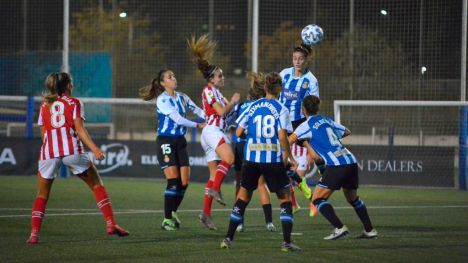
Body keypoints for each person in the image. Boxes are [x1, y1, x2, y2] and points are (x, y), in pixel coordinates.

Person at [27, 72, 129, 244]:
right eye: (71, 83)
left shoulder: (45, 105)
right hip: (71, 151)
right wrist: (95, 149)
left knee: (42, 194)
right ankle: (111, 224)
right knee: (96, 184)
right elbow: (80, 129)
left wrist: (52, 148)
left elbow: (44, 132)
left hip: (49, 153)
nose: (72, 85)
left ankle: (34, 234)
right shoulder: (75, 102)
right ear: (67, 85)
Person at [220, 72, 301, 252]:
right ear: (280, 88)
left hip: (251, 160)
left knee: (242, 198)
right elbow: (282, 135)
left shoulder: (252, 106)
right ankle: (287, 243)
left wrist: (255, 136)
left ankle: (228, 238)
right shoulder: (281, 108)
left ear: (265, 87)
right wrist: (289, 157)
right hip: (272, 159)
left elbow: (239, 132)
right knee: (285, 199)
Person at [289, 95, 378, 240]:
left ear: (303, 109)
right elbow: (347, 131)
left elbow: (290, 140)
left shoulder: (306, 125)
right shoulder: (327, 120)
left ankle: (339, 227)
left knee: (317, 199)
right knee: (353, 198)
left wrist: (298, 145)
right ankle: (370, 230)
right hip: (350, 161)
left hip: (337, 165)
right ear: (318, 108)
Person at [139, 69, 206, 231]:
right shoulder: (162, 100)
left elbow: (198, 110)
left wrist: (214, 117)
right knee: (173, 181)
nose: (174, 78)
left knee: (184, 181)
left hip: (180, 142)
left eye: (174, 75)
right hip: (165, 141)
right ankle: (167, 219)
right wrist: (198, 124)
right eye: (170, 77)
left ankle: (173, 212)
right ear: (163, 83)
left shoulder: (183, 97)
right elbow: (177, 119)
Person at [187, 35, 241, 230]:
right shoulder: (209, 90)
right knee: (230, 158)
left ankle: (206, 214)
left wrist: (235, 112)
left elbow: (227, 115)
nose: (223, 77)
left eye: (223, 75)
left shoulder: (219, 93)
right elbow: (220, 112)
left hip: (213, 132)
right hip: (212, 131)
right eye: (220, 76)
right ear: (211, 79)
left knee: (212, 175)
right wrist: (232, 103)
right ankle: (216, 189)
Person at [232, 72, 275, 233]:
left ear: (250, 95)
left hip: (241, 147)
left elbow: (239, 129)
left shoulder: (244, 105)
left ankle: (239, 223)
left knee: (240, 185)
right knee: (261, 184)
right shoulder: (264, 107)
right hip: (256, 148)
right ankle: (269, 222)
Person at [279, 43, 319, 213]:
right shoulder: (284, 74)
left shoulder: (311, 80)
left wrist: (311, 126)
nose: (297, 62)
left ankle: (316, 199)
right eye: (295, 58)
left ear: (306, 60)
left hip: (300, 124)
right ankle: (295, 201)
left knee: (317, 158)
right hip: (282, 123)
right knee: (281, 164)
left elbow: (314, 105)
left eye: (301, 59)